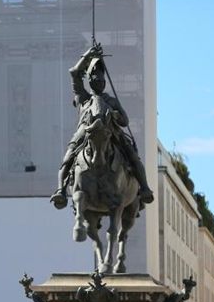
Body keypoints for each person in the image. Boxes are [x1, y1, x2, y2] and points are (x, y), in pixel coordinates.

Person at [51, 43, 153, 211]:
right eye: (96, 79)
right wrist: (88, 55)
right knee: (68, 157)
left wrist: (114, 115)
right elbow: (75, 73)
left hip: (111, 133)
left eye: (102, 80)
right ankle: (61, 190)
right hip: (85, 132)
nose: (99, 82)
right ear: (90, 80)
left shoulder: (111, 100)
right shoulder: (83, 97)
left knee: (133, 156)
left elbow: (125, 121)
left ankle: (144, 188)